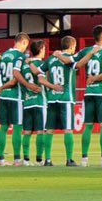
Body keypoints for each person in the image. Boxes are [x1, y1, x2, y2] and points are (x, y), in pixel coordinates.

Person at [74, 25, 102, 166]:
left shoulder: (86, 51)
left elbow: (75, 64)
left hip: (89, 93)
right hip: (101, 93)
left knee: (88, 126)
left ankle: (84, 160)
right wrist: (96, 78)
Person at [16, 40, 61, 165]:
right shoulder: (42, 64)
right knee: (41, 131)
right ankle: (40, 159)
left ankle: (25, 159)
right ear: (41, 49)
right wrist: (53, 87)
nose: (45, 51)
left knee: (27, 132)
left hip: (27, 101)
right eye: (44, 49)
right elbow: (42, 79)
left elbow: (19, 79)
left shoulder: (24, 65)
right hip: (40, 101)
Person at [39, 37, 79, 166]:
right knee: (68, 129)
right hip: (66, 98)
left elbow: (39, 75)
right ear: (72, 47)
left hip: (52, 98)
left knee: (49, 130)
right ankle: (69, 159)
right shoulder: (70, 59)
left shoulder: (51, 59)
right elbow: (76, 66)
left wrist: (51, 86)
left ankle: (48, 159)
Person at [0, 33, 30, 166]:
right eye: (25, 45)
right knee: (17, 127)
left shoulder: (4, 55)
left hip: (4, 96)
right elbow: (17, 77)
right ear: (22, 42)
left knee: (3, 127)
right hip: (16, 96)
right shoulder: (20, 57)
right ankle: (17, 159)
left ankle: (1, 159)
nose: (25, 48)